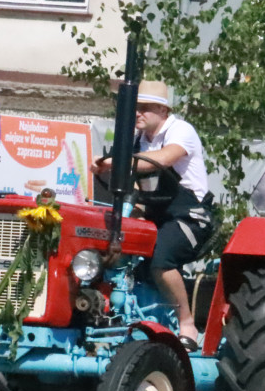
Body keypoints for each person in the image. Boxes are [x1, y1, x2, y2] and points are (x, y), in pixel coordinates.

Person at [91, 80, 214, 351]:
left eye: (145, 108)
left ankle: (187, 323)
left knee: (161, 259)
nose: (137, 113)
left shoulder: (180, 131)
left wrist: (116, 160)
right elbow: (135, 185)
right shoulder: (139, 140)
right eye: (135, 107)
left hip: (190, 217)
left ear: (162, 110)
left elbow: (163, 159)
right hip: (157, 216)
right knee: (109, 251)